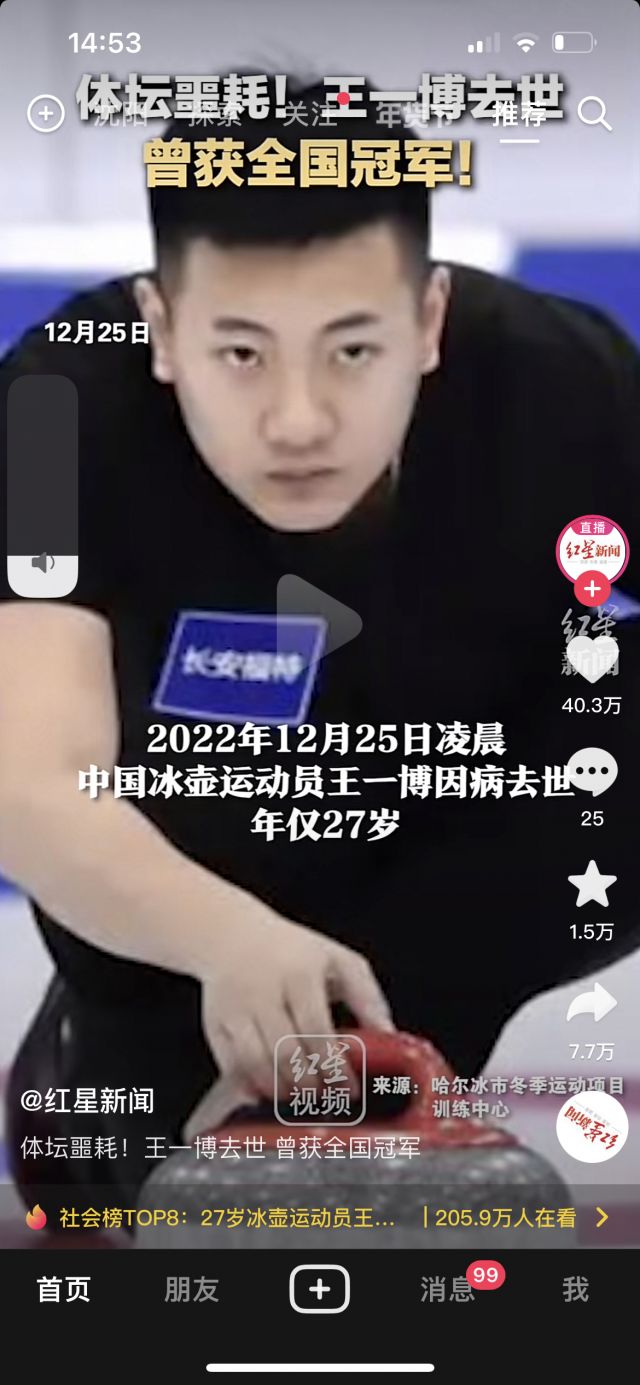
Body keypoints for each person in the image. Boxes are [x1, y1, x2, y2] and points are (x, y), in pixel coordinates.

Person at [1, 77, 639, 1218]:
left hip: (462, 833)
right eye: (242, 354)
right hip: (198, 899)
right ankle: (133, 1078)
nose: (298, 419)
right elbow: (27, 783)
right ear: (161, 330)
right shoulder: (52, 410)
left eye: (351, 350)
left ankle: (386, 1085)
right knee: (143, 1173)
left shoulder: (567, 378)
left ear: (428, 321)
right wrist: (223, 937)